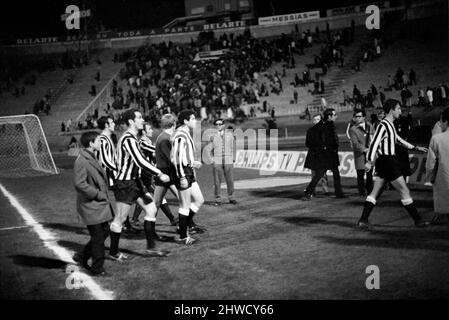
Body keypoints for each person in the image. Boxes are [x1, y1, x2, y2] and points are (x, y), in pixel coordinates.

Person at [356, 99, 429, 229]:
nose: (400, 111)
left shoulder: (390, 124)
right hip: (388, 161)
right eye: (399, 109)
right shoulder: (383, 125)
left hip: (386, 162)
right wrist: (368, 161)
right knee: (404, 189)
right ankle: (418, 220)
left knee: (375, 191)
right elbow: (374, 144)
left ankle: (363, 219)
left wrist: (416, 148)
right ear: (391, 110)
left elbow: (398, 140)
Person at [112, 109, 171, 259]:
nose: (142, 120)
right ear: (131, 121)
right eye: (139, 117)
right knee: (119, 219)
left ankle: (151, 248)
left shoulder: (133, 138)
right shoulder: (128, 139)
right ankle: (112, 252)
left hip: (134, 181)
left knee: (151, 209)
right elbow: (140, 160)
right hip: (125, 183)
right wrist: (159, 173)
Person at [73, 131, 114, 276]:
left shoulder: (91, 156)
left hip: (97, 205)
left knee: (105, 231)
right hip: (91, 205)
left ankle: (82, 256)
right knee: (98, 237)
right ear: (91, 143)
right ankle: (97, 268)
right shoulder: (81, 160)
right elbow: (79, 184)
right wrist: (97, 194)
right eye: (98, 141)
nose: (101, 143)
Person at [131, 122, 178, 229]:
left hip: (148, 173)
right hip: (145, 174)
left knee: (147, 195)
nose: (152, 130)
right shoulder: (142, 142)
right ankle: (172, 219)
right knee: (156, 196)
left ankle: (133, 220)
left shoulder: (147, 141)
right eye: (149, 129)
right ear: (143, 132)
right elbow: (155, 150)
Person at [171, 110, 205, 245]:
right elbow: (175, 159)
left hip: (188, 170)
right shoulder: (180, 135)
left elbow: (183, 157)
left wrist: (192, 163)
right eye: (192, 118)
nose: (195, 121)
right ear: (185, 121)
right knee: (184, 205)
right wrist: (181, 176)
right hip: (182, 172)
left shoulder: (185, 133)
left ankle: (182, 226)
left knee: (199, 200)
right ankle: (182, 236)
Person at [303, 108, 345, 200]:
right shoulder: (321, 127)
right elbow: (315, 141)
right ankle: (308, 191)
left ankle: (339, 193)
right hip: (325, 155)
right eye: (334, 115)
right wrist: (323, 148)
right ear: (329, 116)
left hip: (331, 154)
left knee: (333, 173)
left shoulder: (330, 125)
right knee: (320, 174)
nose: (336, 117)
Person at [426, 107, 449, 223]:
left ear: (445, 121)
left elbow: (430, 164)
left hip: (444, 178)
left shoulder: (436, 139)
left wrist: (431, 176)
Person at [211, 119, 237, 205]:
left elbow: (233, 146)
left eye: (220, 124)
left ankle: (232, 198)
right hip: (217, 159)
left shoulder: (230, 134)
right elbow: (208, 149)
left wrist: (233, 157)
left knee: (230, 180)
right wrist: (211, 159)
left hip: (228, 158)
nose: (218, 125)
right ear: (215, 125)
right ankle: (218, 199)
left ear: (223, 125)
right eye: (216, 124)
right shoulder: (212, 136)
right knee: (217, 181)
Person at [348, 109, 374, 196]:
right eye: (356, 117)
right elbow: (355, 143)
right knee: (360, 174)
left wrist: (371, 149)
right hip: (360, 154)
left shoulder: (370, 126)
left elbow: (373, 138)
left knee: (370, 174)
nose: (357, 118)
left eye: (359, 116)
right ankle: (362, 192)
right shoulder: (353, 129)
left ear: (364, 117)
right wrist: (364, 149)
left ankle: (370, 191)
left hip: (370, 153)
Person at [304, 114, 329, 197]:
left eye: (318, 119)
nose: (316, 121)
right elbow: (307, 143)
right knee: (314, 174)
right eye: (315, 119)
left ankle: (325, 190)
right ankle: (312, 191)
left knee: (323, 173)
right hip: (313, 155)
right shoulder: (310, 131)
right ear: (313, 121)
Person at [96, 116, 117, 189]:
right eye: (112, 122)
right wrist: (118, 169)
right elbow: (104, 160)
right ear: (106, 125)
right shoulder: (103, 139)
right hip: (108, 178)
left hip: (112, 175)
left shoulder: (108, 138)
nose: (114, 124)